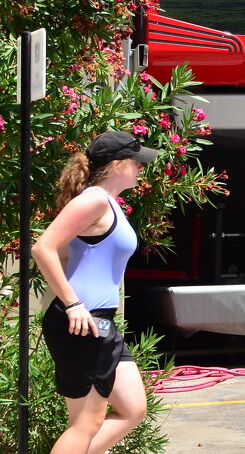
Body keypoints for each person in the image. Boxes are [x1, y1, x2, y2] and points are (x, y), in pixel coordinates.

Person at [31, 130, 160, 454]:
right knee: (85, 424)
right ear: (117, 165)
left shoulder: (107, 203)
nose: (141, 168)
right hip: (81, 321)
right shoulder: (93, 200)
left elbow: (65, 255)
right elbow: (43, 248)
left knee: (132, 409)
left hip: (98, 321)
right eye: (136, 162)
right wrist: (73, 304)